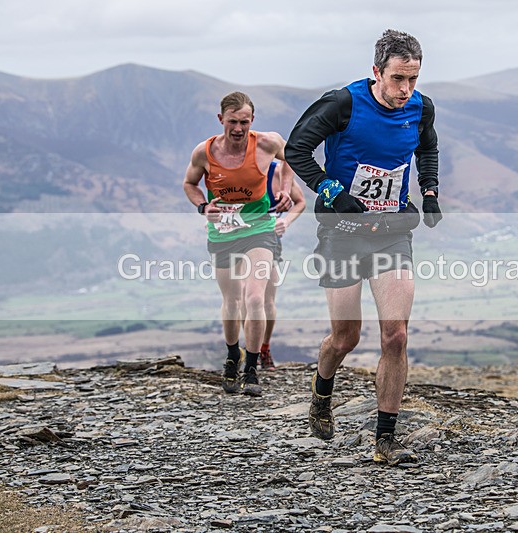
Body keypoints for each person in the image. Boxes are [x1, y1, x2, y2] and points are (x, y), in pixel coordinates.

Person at [285, 29, 442, 465]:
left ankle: (385, 440)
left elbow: (427, 147)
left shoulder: (421, 107)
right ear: (376, 72)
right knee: (346, 337)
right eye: (397, 79)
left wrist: (430, 190)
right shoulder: (343, 103)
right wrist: (331, 190)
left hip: (392, 230)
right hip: (342, 232)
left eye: (413, 79)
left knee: (396, 334)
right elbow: (297, 149)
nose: (405, 89)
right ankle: (322, 391)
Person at [183, 91, 293, 396]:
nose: (238, 128)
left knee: (255, 298)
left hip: (259, 229)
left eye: (244, 122)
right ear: (221, 119)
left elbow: (292, 158)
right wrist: (203, 206)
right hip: (223, 233)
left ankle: (252, 369)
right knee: (231, 301)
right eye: (232, 122)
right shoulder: (204, 152)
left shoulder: (268, 143)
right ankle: (233, 356)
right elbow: (189, 183)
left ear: (252, 120)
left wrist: (285, 189)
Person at [257, 160, 308, 370]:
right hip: (237, 239)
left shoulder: (276, 172)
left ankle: (264, 348)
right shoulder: (232, 166)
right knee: (244, 298)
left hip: (269, 240)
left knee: (267, 300)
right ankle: (249, 349)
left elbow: (300, 201)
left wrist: (285, 221)